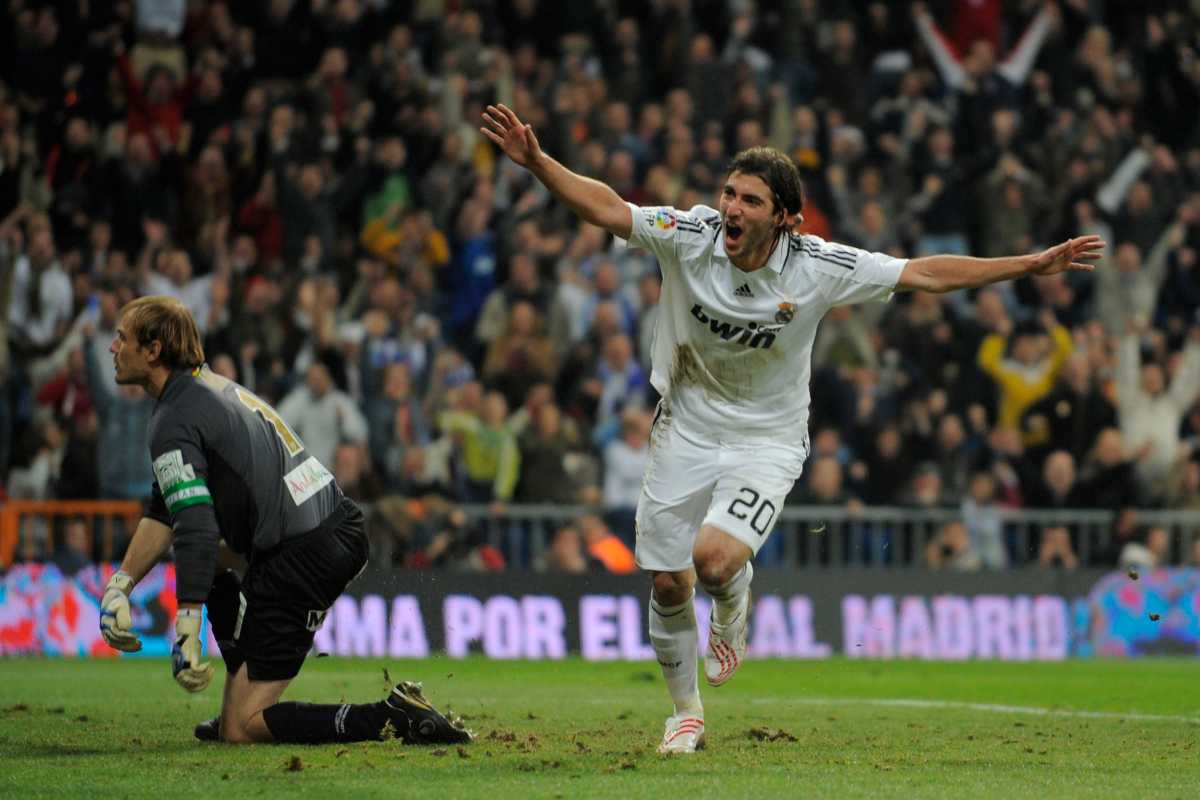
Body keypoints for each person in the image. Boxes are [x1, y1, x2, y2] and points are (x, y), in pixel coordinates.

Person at [482, 103, 1105, 754]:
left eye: (750, 199)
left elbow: (921, 272)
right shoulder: (689, 234)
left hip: (767, 438)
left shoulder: (818, 266)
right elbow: (611, 209)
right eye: (729, 192)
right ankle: (685, 713)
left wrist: (1028, 265)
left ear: (784, 217)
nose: (732, 207)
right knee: (668, 581)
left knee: (714, 561)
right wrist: (539, 163)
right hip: (685, 429)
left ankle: (733, 593)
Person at [97, 295, 470, 746]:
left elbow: (195, 524)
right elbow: (165, 509)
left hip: (304, 551)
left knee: (243, 727)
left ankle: (392, 717)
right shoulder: (207, 388)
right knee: (211, 560)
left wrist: (187, 626)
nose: (113, 348)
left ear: (153, 350)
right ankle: (241, 689)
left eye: (122, 338)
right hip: (323, 528)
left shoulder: (175, 417)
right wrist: (121, 584)